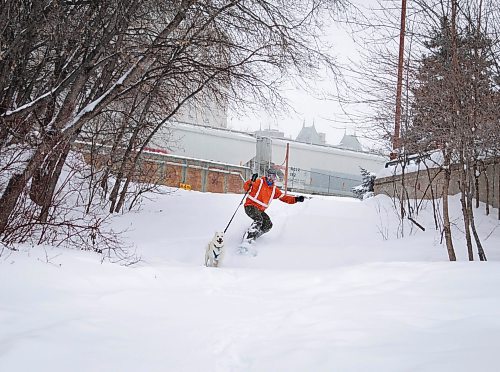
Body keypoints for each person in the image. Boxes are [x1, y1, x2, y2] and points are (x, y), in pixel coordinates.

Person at [243, 168, 304, 242]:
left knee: (268, 225)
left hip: (260, 210)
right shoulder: (259, 182)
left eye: (274, 177)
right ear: (267, 176)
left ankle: (254, 235)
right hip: (250, 206)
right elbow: (246, 187)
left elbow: (283, 197)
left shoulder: (274, 189)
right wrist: (251, 181)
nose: (272, 179)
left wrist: (296, 199)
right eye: (271, 176)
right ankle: (248, 241)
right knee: (259, 219)